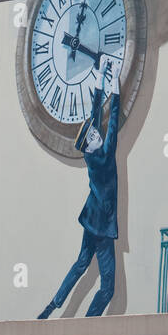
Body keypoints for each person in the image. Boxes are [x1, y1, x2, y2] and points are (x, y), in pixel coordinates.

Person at [38, 61, 121, 319]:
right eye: (95, 136)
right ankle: (89, 321)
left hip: (90, 220)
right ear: (90, 144)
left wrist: (100, 77)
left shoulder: (90, 155)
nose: (99, 134)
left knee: (81, 263)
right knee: (108, 287)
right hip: (103, 226)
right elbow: (114, 118)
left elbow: (96, 116)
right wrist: (115, 80)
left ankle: (53, 304)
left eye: (96, 134)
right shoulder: (105, 156)